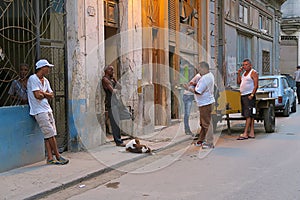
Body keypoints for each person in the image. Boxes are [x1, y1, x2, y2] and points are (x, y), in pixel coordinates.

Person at [27, 59, 69, 165]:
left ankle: (50, 158)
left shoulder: (45, 80)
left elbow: (51, 95)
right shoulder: (33, 79)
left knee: (49, 134)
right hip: (39, 110)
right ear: (42, 68)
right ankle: (58, 156)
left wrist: (43, 93)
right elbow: (37, 96)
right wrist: (45, 94)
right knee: (50, 134)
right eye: (47, 67)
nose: (49, 69)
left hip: (47, 108)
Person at [188, 61, 215, 149]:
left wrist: (188, 88)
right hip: (205, 102)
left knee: (206, 123)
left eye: (200, 68)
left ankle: (209, 142)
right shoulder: (208, 76)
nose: (198, 70)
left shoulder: (205, 78)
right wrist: (195, 84)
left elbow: (198, 91)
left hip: (205, 103)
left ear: (205, 68)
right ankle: (201, 140)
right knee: (203, 123)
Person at [102, 65, 126, 147]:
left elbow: (120, 87)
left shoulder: (112, 79)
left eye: (113, 69)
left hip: (116, 102)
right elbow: (113, 91)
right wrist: (115, 89)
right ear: (106, 71)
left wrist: (115, 79)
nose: (112, 71)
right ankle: (118, 141)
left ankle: (118, 139)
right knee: (115, 122)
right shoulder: (105, 79)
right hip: (111, 103)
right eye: (110, 69)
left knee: (118, 121)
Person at [236, 58, 258, 140]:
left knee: (248, 115)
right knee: (250, 115)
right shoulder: (244, 73)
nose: (244, 66)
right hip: (243, 95)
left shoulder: (253, 73)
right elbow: (239, 82)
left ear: (250, 65)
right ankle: (251, 132)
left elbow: (256, 85)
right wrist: (238, 73)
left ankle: (245, 133)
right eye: (243, 65)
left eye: (246, 65)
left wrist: (252, 95)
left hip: (249, 96)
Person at [182, 70, 201, 135]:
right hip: (188, 95)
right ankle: (187, 129)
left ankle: (188, 129)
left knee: (187, 114)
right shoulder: (198, 76)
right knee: (187, 114)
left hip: (191, 95)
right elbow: (198, 89)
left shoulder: (199, 77)